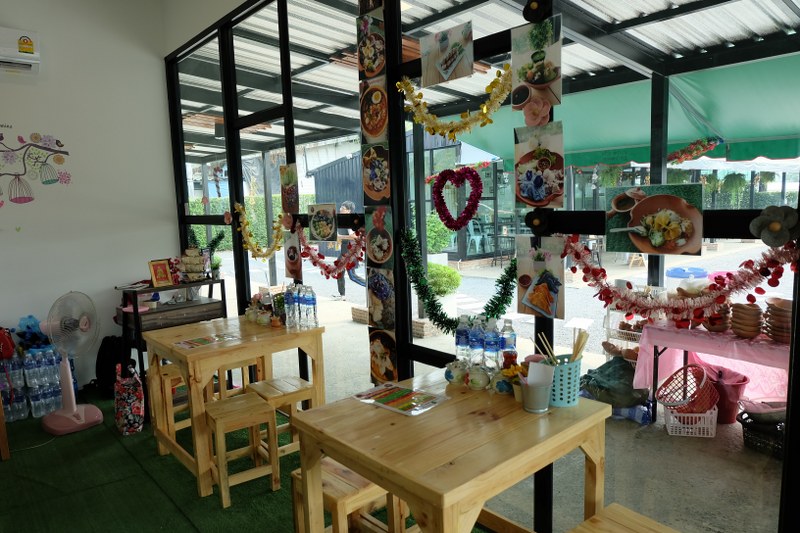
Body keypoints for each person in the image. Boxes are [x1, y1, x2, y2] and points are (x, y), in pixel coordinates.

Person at [333, 200, 365, 300]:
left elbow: (354, 236)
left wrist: (340, 237)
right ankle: (342, 295)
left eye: (343, 208)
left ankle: (370, 286)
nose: (340, 209)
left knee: (352, 276)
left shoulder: (351, 220)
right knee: (339, 271)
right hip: (344, 251)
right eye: (341, 207)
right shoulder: (344, 220)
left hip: (351, 251)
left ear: (349, 210)